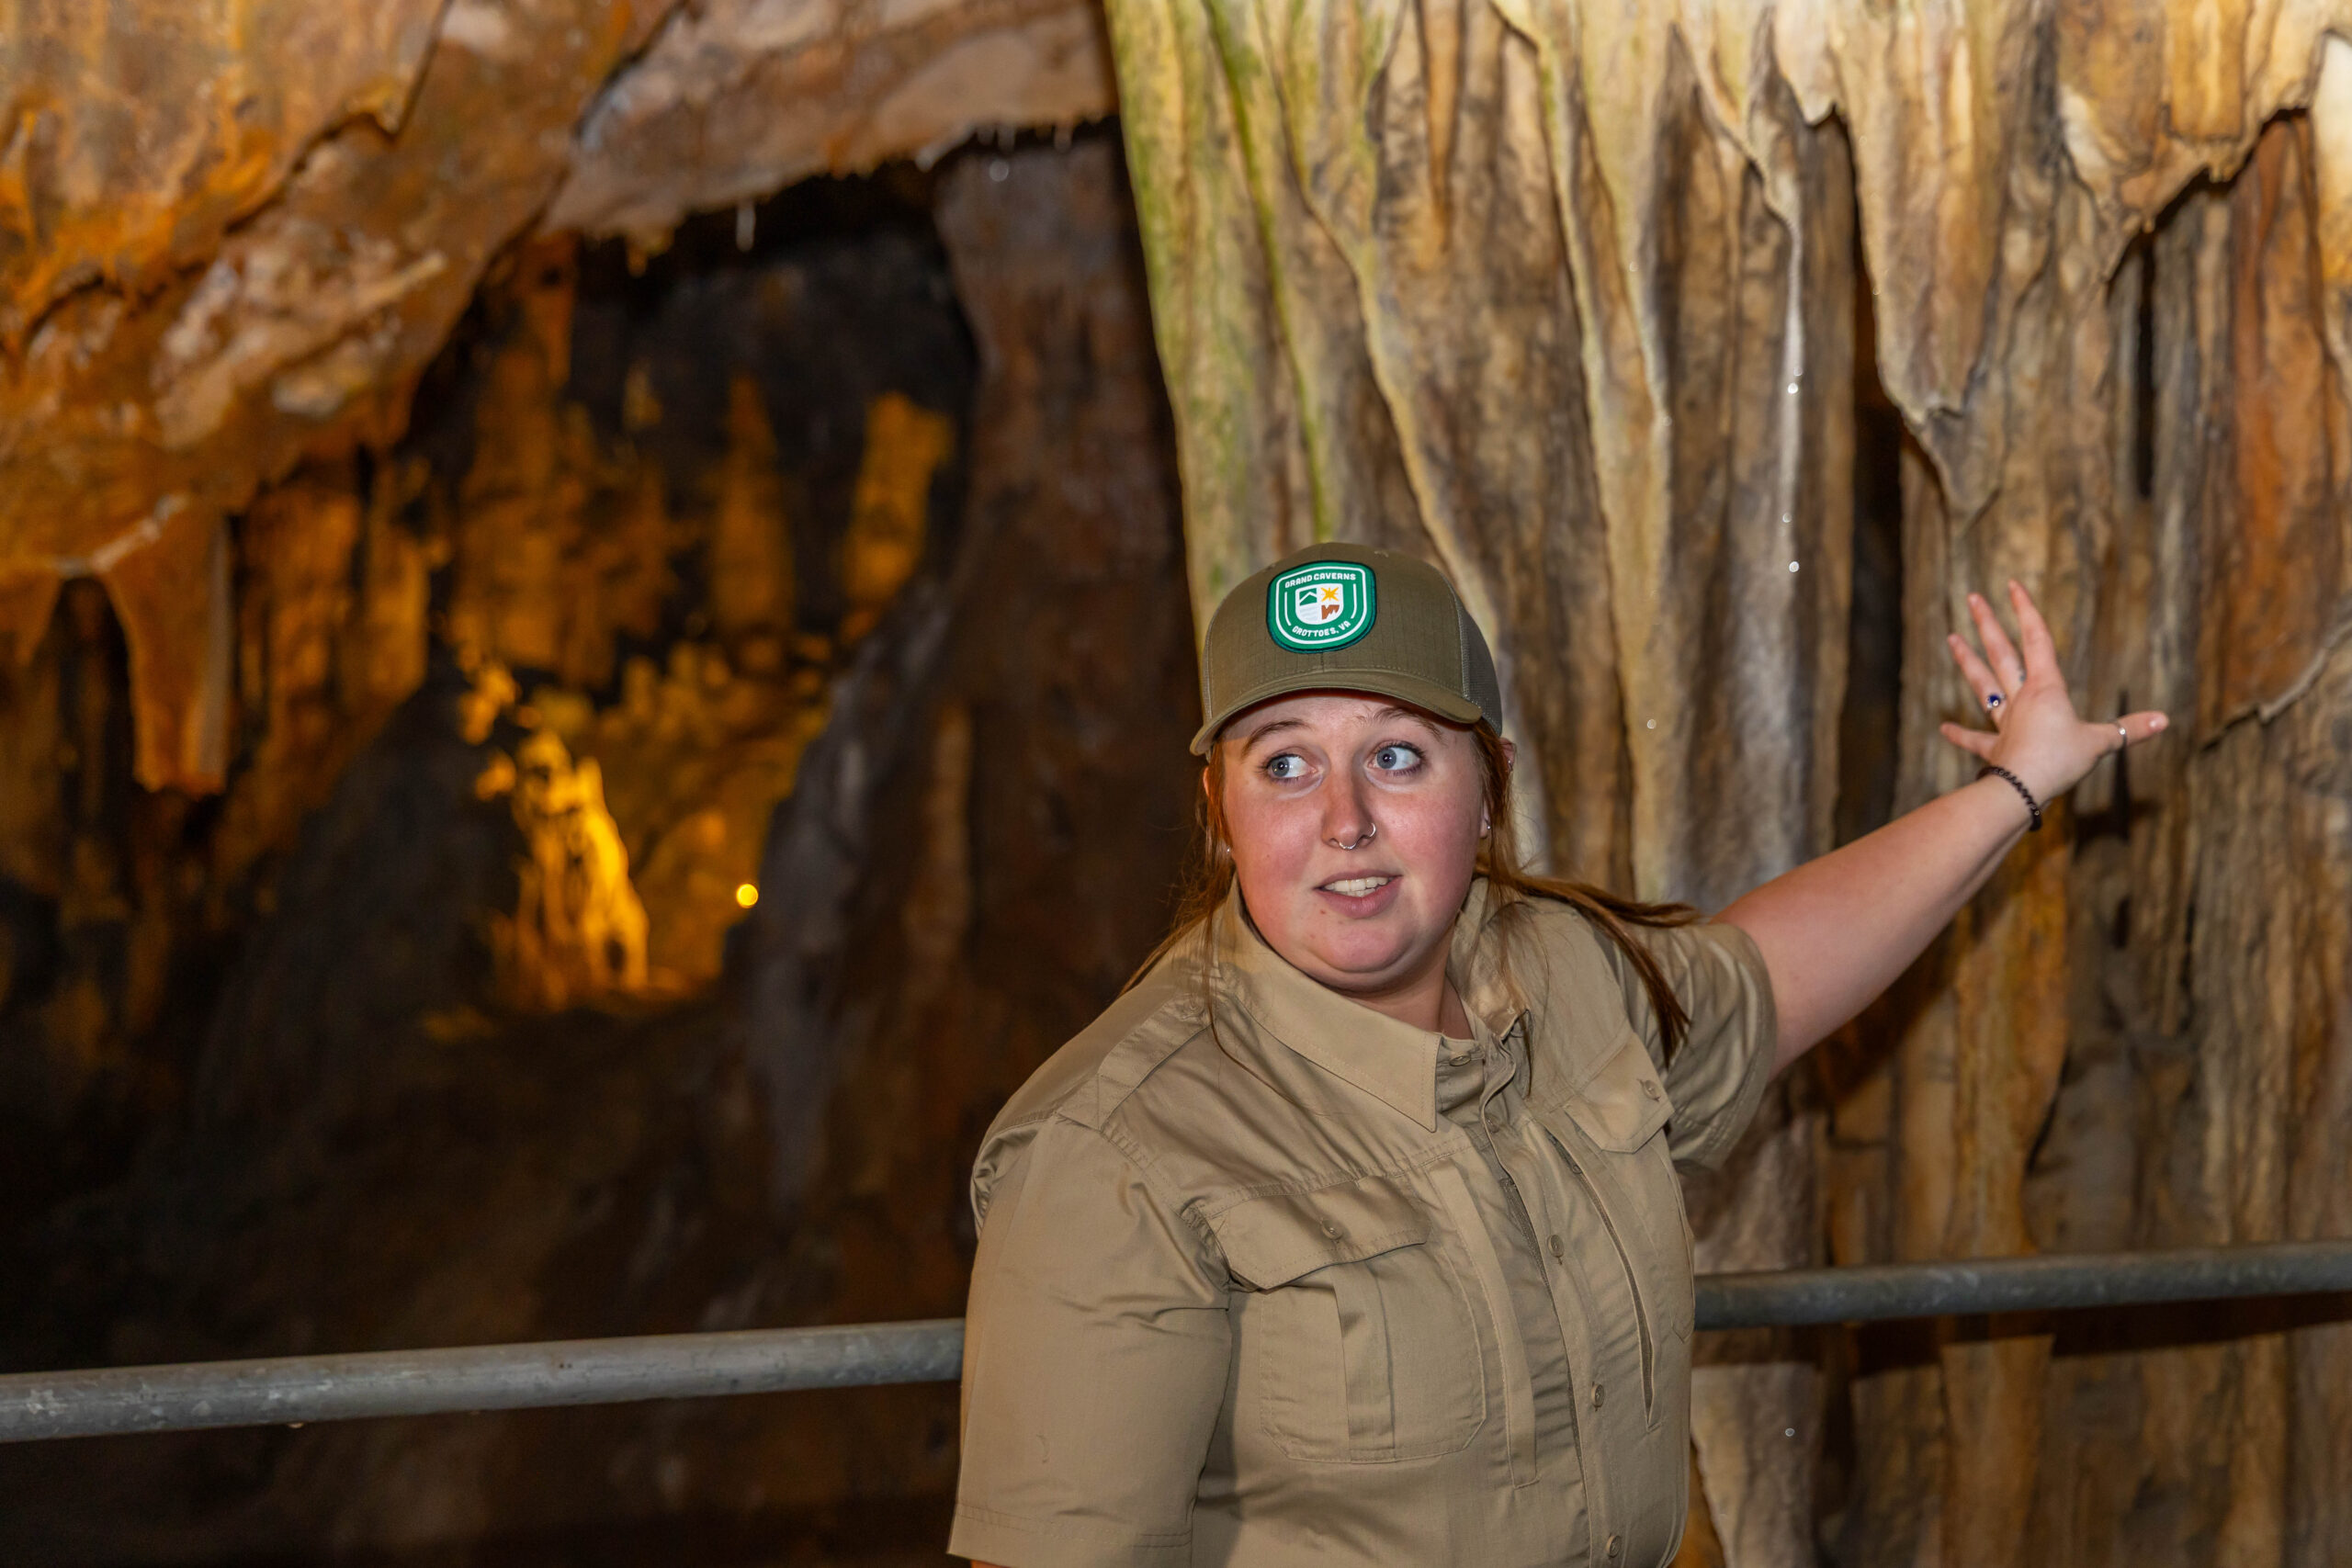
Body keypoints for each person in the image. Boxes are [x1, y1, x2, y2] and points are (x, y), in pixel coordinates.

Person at [948, 541, 2164, 1568]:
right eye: (1285, 765)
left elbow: (1770, 977)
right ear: (1221, 815)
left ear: (1488, 791)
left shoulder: (1567, 976)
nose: (1344, 820)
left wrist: (2018, 783)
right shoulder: (1116, 1153)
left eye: (1398, 755)